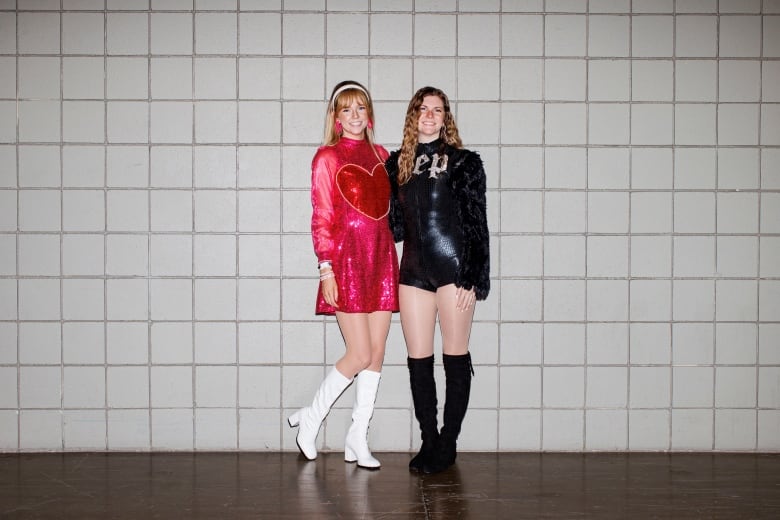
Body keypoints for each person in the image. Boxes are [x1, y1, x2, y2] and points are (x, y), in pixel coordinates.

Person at [287, 80, 399, 470]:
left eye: (361, 109)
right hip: (347, 261)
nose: (354, 116)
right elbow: (322, 216)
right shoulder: (327, 157)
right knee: (360, 353)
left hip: (381, 258)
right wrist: (325, 268)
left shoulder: (384, 155)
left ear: (370, 115)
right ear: (336, 119)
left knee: (378, 354)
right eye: (346, 110)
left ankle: (357, 438)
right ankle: (311, 417)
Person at [386, 86, 490, 474]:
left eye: (437, 110)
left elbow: (477, 223)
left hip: (453, 269)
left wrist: (473, 276)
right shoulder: (395, 164)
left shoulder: (464, 163)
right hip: (413, 270)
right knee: (418, 360)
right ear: (413, 116)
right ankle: (428, 438)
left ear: (446, 118)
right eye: (423, 109)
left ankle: (448, 442)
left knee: (454, 355)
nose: (430, 115)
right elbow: (394, 227)